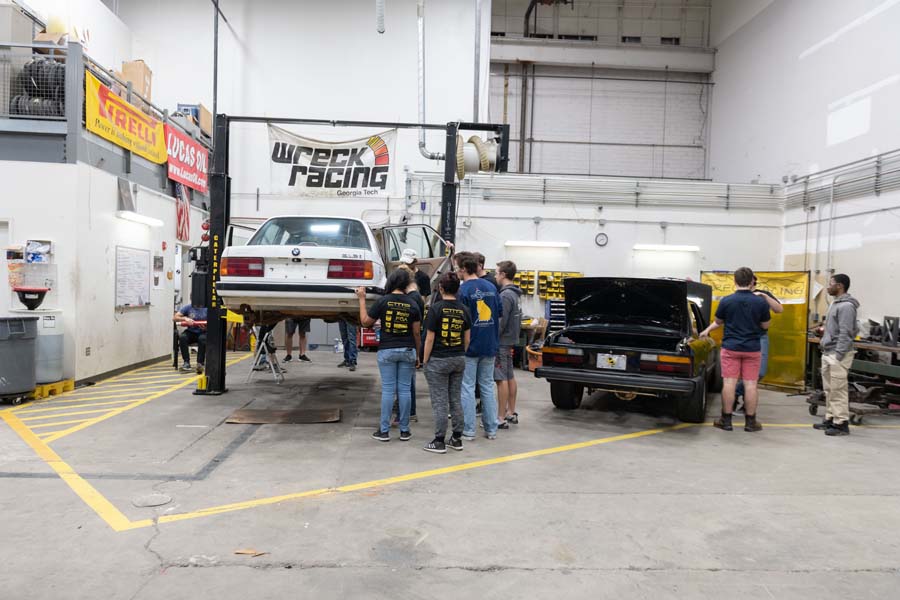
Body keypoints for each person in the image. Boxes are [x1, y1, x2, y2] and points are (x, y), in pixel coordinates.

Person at [700, 267, 771, 432]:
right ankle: (751, 422)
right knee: (751, 384)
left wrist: (706, 331)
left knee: (729, 383)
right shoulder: (760, 301)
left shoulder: (726, 300)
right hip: (752, 348)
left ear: (735, 281)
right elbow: (765, 325)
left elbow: (718, 321)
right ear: (752, 281)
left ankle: (726, 420)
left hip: (731, 347)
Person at [356, 269, 422, 442]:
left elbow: (365, 322)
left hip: (387, 350)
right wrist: (418, 355)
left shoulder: (383, 301)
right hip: (408, 350)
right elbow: (416, 333)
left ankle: (384, 431)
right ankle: (405, 430)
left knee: (388, 390)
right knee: (405, 390)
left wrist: (362, 299)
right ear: (407, 284)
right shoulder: (413, 303)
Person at [422, 271, 472, 453]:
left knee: (439, 401)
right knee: (455, 399)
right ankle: (457, 438)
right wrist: (460, 354)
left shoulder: (435, 309)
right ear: (458, 289)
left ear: (441, 288)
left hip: (438, 360)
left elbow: (429, 339)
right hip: (458, 359)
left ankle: (439, 441)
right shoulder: (464, 310)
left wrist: (425, 361)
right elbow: (467, 339)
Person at [456, 251, 503, 440]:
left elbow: (460, 320)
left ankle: (469, 430)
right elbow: (499, 315)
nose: (457, 272)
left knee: (467, 386)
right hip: (490, 343)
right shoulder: (491, 287)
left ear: (465, 269)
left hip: (470, 345)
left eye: (458, 268)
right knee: (487, 385)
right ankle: (491, 429)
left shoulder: (463, 291)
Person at [814, 274, 859, 436]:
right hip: (828, 352)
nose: (828, 286)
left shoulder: (846, 306)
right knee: (829, 389)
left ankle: (841, 424)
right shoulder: (835, 303)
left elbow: (846, 333)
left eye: (830, 284)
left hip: (837, 354)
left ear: (839, 286)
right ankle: (831, 418)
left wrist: (838, 355)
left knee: (838, 389)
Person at [734, 275, 783, 414]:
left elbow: (779, 309)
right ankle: (745, 404)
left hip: (760, 336)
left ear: (753, 283)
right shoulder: (739, 296)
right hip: (742, 336)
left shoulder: (763, 295)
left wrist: (764, 296)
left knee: (759, 372)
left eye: (751, 283)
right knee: (743, 373)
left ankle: (735, 392)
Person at [495, 261, 523, 429]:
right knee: (510, 376)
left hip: (502, 342)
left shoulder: (505, 295)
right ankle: (511, 412)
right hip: (510, 340)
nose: (496, 276)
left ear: (504, 275)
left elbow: (501, 321)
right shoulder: (515, 294)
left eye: (497, 273)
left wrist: (493, 337)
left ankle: (500, 417)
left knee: (501, 379)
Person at [173, 298, 207, 373]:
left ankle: (200, 363)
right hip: (191, 332)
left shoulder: (206, 308)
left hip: (203, 332)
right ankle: (186, 363)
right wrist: (185, 318)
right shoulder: (188, 307)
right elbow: (175, 318)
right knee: (183, 337)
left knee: (202, 339)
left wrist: (206, 327)